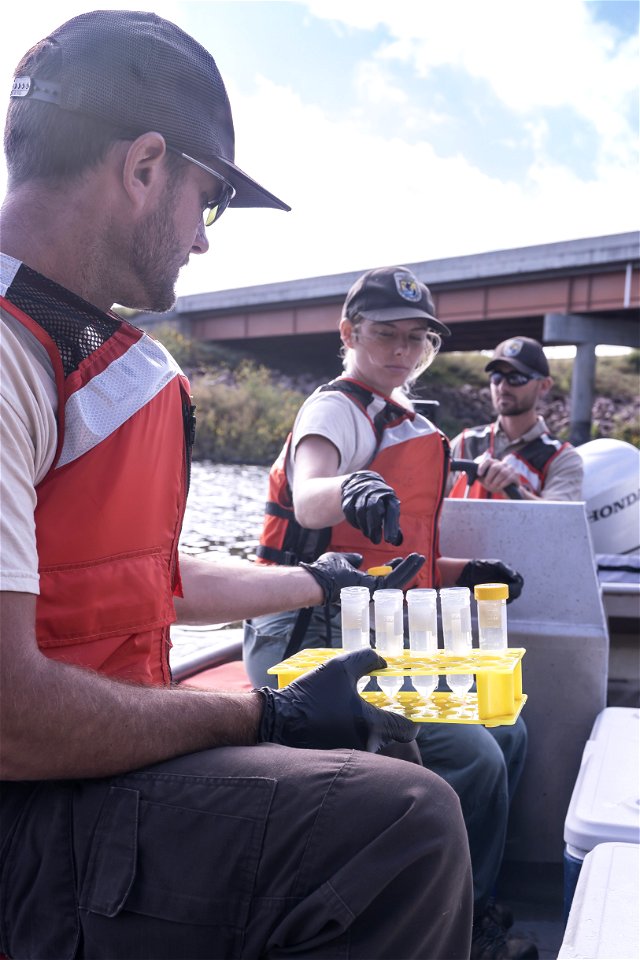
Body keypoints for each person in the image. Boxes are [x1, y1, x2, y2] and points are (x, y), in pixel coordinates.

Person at [0, 11, 474, 960]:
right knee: (405, 824)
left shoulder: (48, 346)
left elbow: (132, 574)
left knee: (383, 754)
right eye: (207, 200)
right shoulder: (11, 358)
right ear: (143, 167)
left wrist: (320, 584)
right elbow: (10, 720)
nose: (203, 242)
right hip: (30, 816)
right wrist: (266, 712)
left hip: (85, 759)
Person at [244, 266, 538, 960]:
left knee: (510, 727)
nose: (403, 352)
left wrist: (469, 574)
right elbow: (314, 491)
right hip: (304, 634)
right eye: (386, 336)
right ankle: (452, 930)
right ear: (349, 334)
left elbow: (396, 559)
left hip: (371, 629)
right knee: (474, 758)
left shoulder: (402, 415)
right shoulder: (335, 410)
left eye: (420, 340)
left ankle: (475, 902)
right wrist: (351, 489)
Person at [448, 336, 584, 500]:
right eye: (496, 377)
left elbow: (558, 520)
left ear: (544, 386)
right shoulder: (464, 443)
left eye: (516, 378)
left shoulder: (562, 458)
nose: (503, 387)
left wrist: (516, 491)